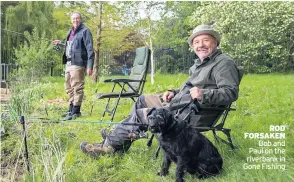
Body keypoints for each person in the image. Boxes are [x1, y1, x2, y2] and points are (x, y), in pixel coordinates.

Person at [80, 24, 242, 158]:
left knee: (142, 114)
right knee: (143, 99)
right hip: (180, 104)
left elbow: (230, 93)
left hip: (191, 114)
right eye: (196, 42)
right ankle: (120, 140)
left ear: (215, 43)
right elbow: (190, 88)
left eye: (205, 40)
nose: (200, 45)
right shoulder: (200, 64)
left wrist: (204, 94)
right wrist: (174, 92)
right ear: (193, 46)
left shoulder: (223, 63)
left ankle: (110, 147)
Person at [53, 12, 94, 120]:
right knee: (68, 87)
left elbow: (90, 49)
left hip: (78, 63)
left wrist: (90, 66)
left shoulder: (85, 31)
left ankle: (76, 111)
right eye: (74, 19)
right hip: (69, 63)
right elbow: (70, 45)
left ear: (80, 19)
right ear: (71, 20)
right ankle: (71, 109)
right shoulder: (70, 32)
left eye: (77, 18)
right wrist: (60, 42)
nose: (76, 20)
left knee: (77, 87)